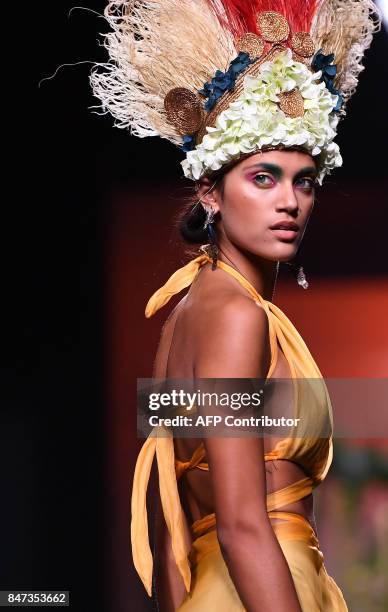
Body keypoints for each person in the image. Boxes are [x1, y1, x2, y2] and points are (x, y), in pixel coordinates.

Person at [90, 1, 381, 609]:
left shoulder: (186, 315)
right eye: (263, 177)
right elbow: (243, 524)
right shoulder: (235, 316)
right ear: (210, 192)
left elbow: (169, 508)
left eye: (304, 180)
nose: (290, 202)